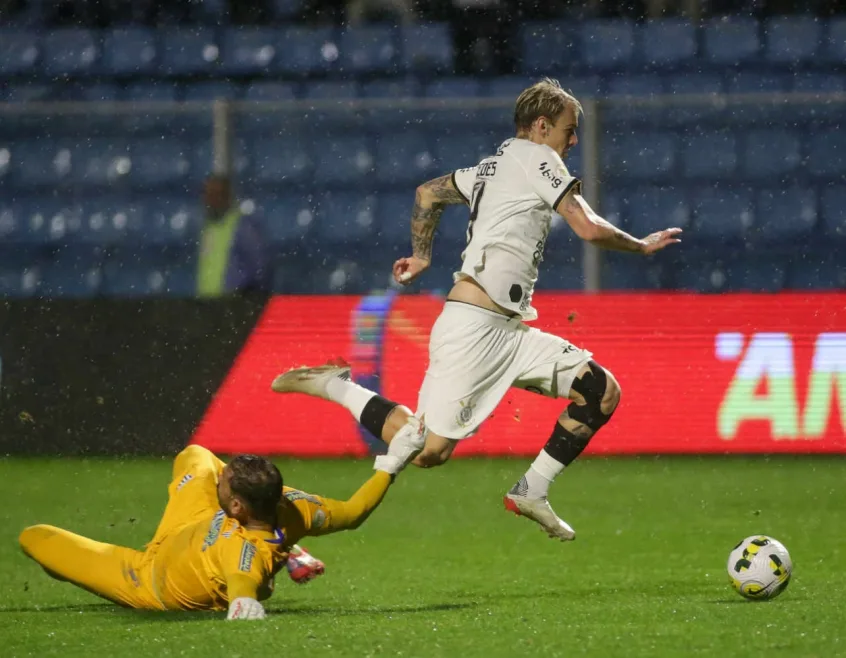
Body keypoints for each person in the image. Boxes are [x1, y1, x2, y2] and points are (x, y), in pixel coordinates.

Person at [271, 78, 682, 542]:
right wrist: (641, 246)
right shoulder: (537, 157)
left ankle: (532, 489)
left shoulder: (492, 166)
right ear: (542, 126)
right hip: (475, 329)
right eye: (568, 130)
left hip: (511, 329)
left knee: (600, 391)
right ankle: (334, 385)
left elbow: (428, 192)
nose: (572, 141)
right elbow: (586, 227)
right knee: (427, 451)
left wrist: (423, 255)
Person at [19, 417, 426, 620]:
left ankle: (283, 552)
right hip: (191, 522)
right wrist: (392, 463)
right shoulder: (290, 504)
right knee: (196, 455)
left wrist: (246, 604)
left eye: (226, 482)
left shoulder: (240, 551)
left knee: (35, 538)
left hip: (148, 577)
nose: (223, 476)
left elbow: (243, 582)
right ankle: (289, 548)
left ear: (237, 507)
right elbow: (353, 513)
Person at [197, 175, 269, 298]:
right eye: (208, 195)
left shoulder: (243, 227)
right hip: (207, 304)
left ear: (227, 197)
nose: (211, 200)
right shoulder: (207, 227)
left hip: (232, 305)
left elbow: (259, 268)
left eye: (217, 195)